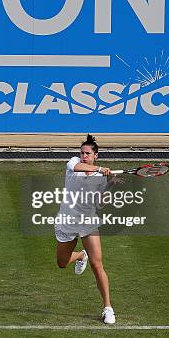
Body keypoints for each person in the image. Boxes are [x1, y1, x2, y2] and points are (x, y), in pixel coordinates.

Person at [54, 134, 119, 324]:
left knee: (97, 265)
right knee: (62, 263)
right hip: (67, 221)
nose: (84, 156)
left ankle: (108, 308)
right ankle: (81, 255)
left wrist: (109, 186)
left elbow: (99, 204)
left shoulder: (100, 177)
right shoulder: (74, 163)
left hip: (88, 222)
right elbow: (76, 167)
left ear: (95, 155)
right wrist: (99, 169)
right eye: (82, 153)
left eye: (88, 153)